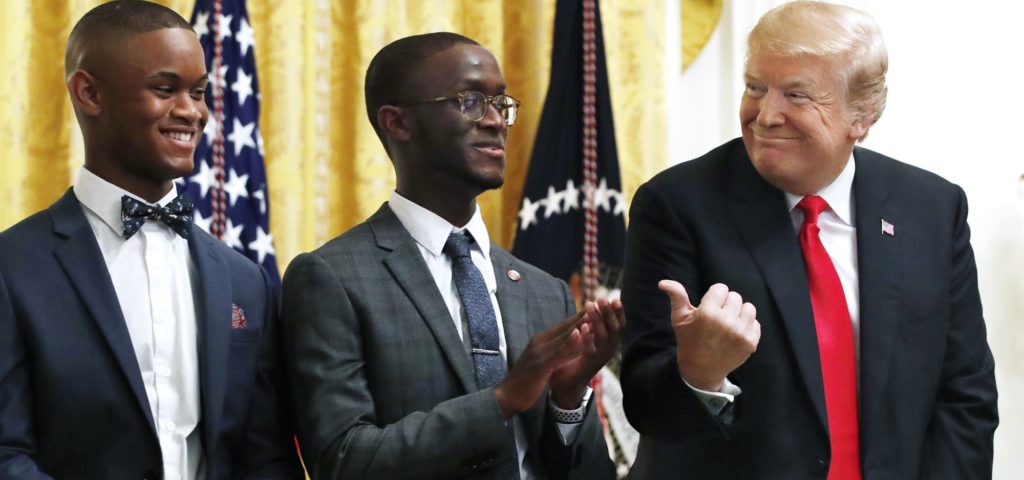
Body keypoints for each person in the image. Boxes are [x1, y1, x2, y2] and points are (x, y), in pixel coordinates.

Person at [620, 2, 998, 479]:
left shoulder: (932, 209)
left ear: (861, 116)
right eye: (756, 87)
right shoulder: (676, 206)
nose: (766, 115)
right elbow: (645, 406)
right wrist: (699, 374)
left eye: (796, 95)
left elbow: (965, 395)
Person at [281, 32, 620, 480]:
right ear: (397, 123)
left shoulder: (544, 291)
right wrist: (502, 400)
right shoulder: (331, 278)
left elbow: (588, 473)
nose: (495, 121)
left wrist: (567, 397)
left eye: (501, 103)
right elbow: (343, 459)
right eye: (470, 101)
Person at [0, 2, 302, 479]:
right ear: (89, 93)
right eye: (166, 89)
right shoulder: (11, 268)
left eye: (199, 92)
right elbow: (6, 453)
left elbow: (267, 459)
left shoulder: (248, 281)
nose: (192, 111)